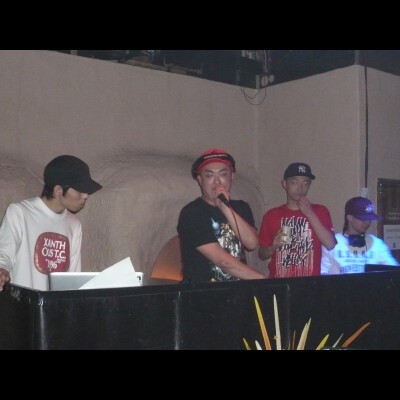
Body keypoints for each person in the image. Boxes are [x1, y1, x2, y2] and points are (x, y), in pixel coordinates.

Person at [0, 155, 102, 292]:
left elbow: (72, 278)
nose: (85, 196)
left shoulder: (74, 225)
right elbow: (4, 253)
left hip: (56, 305)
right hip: (23, 303)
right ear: (58, 190)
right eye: (80, 190)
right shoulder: (20, 212)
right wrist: (2, 269)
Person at [177, 148, 266, 283]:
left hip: (237, 291)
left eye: (223, 174)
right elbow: (223, 261)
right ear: (200, 179)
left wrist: (226, 208)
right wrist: (262, 279)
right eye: (209, 176)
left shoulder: (241, 207)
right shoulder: (192, 212)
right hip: (202, 292)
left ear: (232, 176)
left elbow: (252, 243)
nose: (217, 182)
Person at [258, 162, 337, 278]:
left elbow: (330, 244)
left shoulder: (320, 211)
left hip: (311, 283)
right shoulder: (272, 215)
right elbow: (261, 254)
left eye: (305, 183)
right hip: (279, 282)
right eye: (294, 182)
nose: (300, 188)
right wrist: (273, 247)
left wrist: (309, 213)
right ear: (284, 184)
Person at [321, 196, 399, 274]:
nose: (367, 223)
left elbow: (395, 272)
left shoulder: (377, 244)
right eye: (363, 219)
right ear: (349, 217)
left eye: (369, 219)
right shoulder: (331, 243)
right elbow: (322, 273)